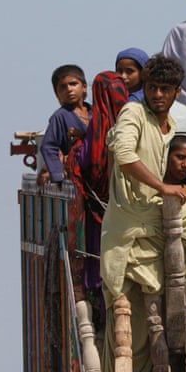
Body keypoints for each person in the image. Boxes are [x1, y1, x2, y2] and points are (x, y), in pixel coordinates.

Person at [100, 54, 186, 372]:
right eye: (153, 88)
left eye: (165, 89)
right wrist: (162, 187)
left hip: (156, 217)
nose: (158, 94)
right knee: (131, 327)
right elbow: (124, 154)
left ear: (176, 92)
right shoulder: (133, 113)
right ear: (145, 88)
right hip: (129, 224)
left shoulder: (169, 125)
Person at [66, 71, 129, 300]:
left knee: (102, 261)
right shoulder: (133, 125)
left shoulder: (98, 128)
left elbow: (89, 162)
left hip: (99, 213)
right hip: (128, 211)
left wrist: (75, 149)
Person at [39, 64, 90, 185]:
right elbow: (49, 146)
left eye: (73, 84)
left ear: (84, 87)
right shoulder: (60, 117)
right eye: (63, 87)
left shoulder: (96, 112)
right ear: (57, 93)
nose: (69, 89)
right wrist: (57, 174)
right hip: (78, 178)